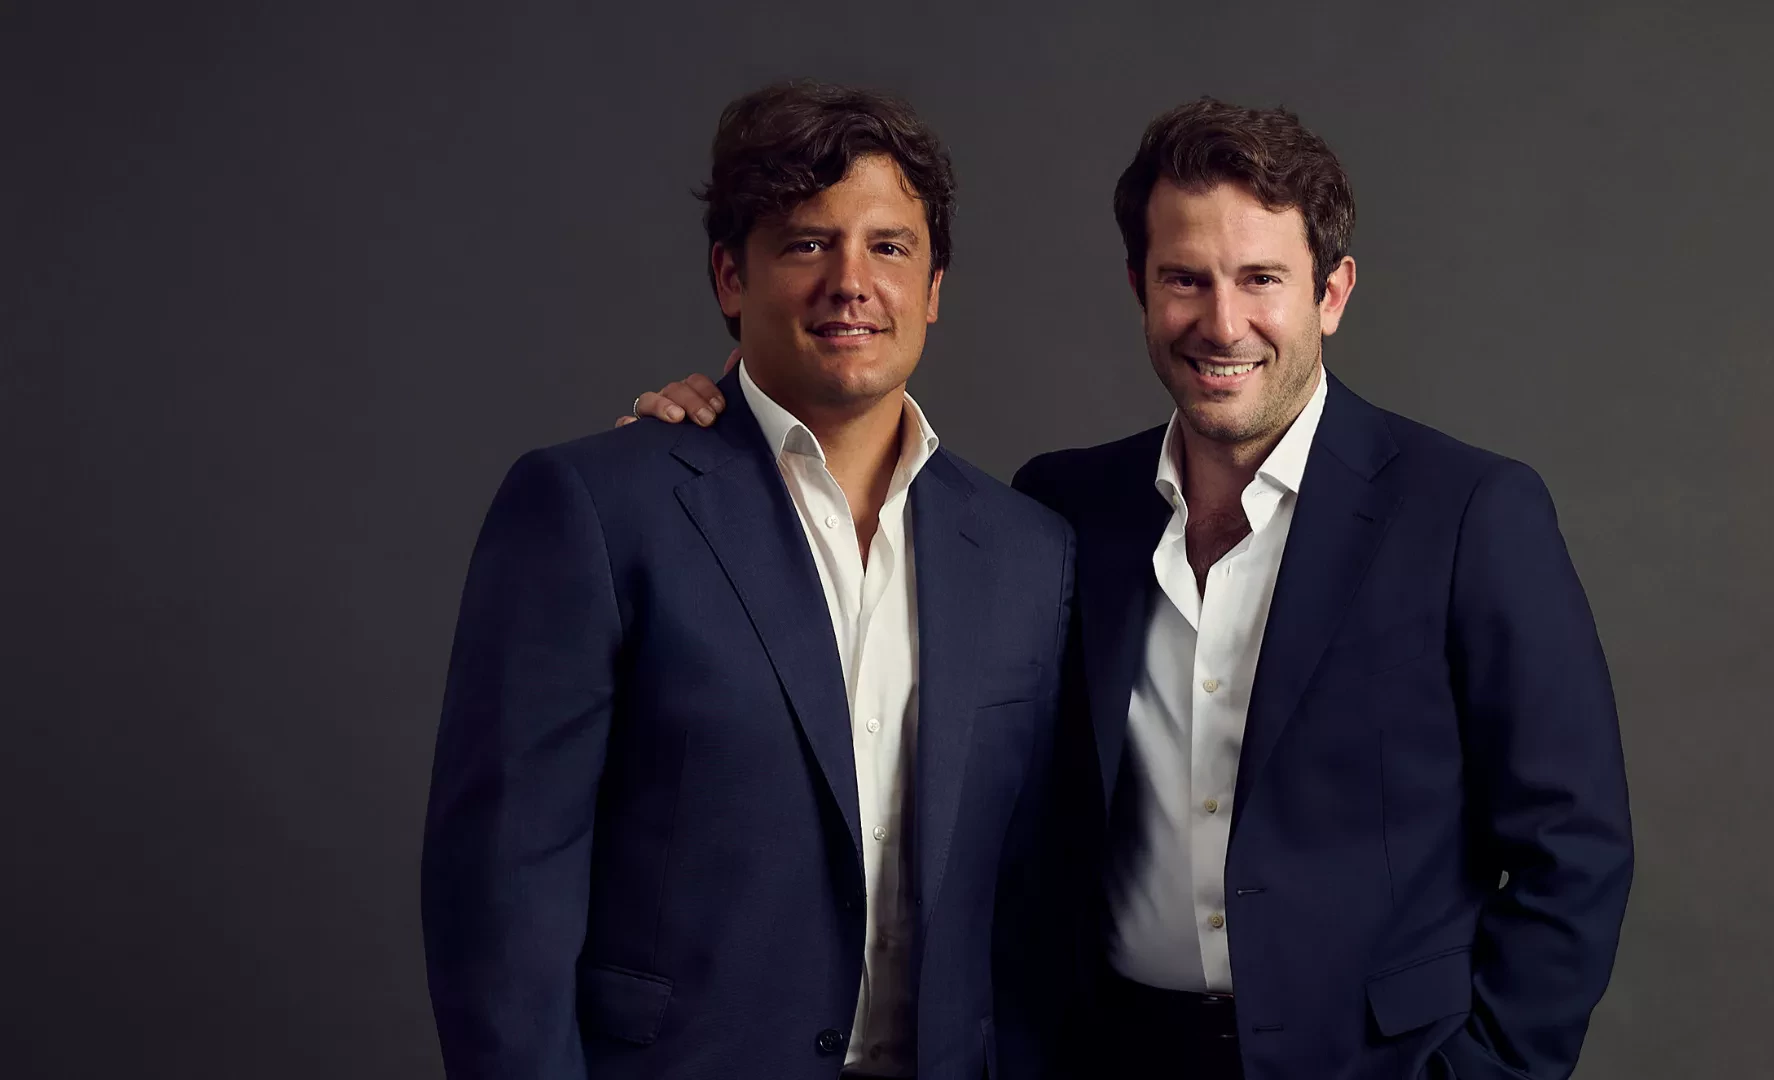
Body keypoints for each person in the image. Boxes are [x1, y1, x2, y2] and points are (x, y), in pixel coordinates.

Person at [631, 97, 1633, 1080]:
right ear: (1140, 287)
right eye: (1185, 279)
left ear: (1331, 294)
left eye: (1262, 279)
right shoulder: (1061, 513)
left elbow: (1573, 844)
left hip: (1377, 1058)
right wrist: (728, 415)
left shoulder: (1465, 513)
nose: (1222, 321)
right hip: (1109, 1053)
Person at [424, 81, 1075, 1080]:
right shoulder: (597, 508)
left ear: (935, 288)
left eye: (890, 247)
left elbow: (1035, 905)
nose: (852, 283)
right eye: (807, 243)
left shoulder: (1029, 551)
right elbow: (500, 896)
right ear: (731, 276)